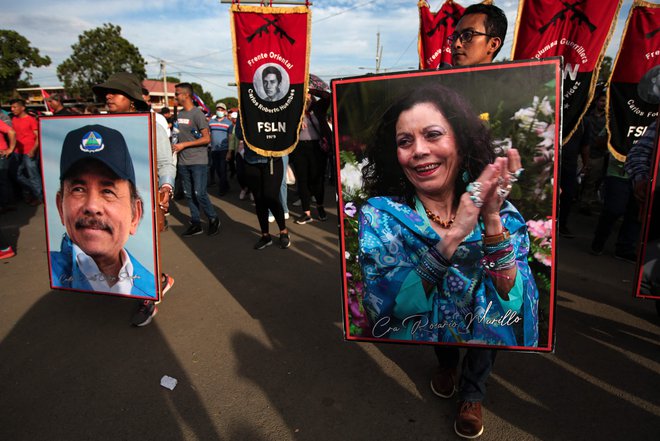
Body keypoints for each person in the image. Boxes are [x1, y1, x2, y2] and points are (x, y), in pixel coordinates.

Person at [92, 71, 177, 326]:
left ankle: (148, 299)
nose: (108, 96)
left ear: (131, 99)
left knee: (142, 247)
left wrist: (166, 187)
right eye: (106, 92)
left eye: (114, 92)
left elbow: (165, 162)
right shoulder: (101, 128)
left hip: (144, 200)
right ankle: (160, 279)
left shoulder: (152, 123)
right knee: (117, 246)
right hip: (112, 201)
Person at [50, 125, 156, 297]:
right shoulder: (50, 274)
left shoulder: (150, 288)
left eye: (108, 191)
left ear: (135, 215)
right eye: (78, 189)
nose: (92, 206)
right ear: (60, 208)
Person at [172, 82, 221, 237]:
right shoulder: (179, 115)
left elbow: (207, 139)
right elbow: (177, 135)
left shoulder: (197, 114)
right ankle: (196, 223)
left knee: (199, 193)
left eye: (177, 93)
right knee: (188, 194)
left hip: (198, 161)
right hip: (183, 161)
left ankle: (213, 218)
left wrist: (184, 145)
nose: (175, 96)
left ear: (186, 95)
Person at [291, 92, 333, 224]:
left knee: (317, 179)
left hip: (317, 147)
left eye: (307, 93)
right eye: (303, 92)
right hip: (299, 148)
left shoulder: (318, 107)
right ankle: (306, 212)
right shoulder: (294, 109)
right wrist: (297, 124)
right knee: (302, 180)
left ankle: (320, 207)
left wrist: (311, 89)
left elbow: (328, 97)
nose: (305, 95)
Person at [9, 99, 42, 205]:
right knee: (17, 174)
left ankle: (40, 197)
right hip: (17, 151)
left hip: (29, 151)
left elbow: (38, 137)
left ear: (22, 108)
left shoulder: (31, 120)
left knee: (33, 175)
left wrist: (33, 150)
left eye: (14, 107)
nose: (12, 109)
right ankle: (34, 192)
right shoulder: (13, 119)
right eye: (12, 107)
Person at [209, 102, 233, 196]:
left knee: (223, 170)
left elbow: (230, 138)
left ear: (225, 111)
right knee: (218, 170)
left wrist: (229, 152)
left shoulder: (229, 123)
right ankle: (226, 185)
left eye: (221, 110)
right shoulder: (211, 122)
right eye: (218, 109)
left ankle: (222, 189)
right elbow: (209, 134)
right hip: (214, 149)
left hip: (224, 150)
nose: (219, 111)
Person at [0, 118, 17, 213]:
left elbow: (12, 132)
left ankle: (6, 204)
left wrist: (10, 149)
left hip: (1, 154)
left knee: (3, 180)